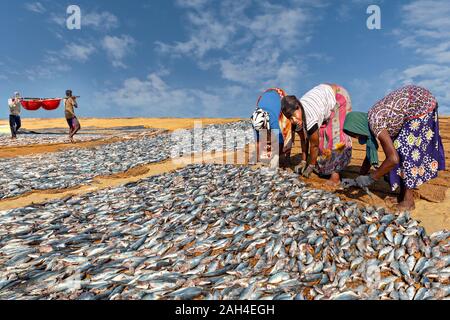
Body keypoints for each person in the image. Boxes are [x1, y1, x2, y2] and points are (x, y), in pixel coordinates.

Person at [343, 85, 445, 211]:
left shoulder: (375, 122)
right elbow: (369, 156)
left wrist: (371, 178)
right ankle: (402, 196)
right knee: (398, 147)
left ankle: (408, 201)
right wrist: (357, 181)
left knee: (405, 152)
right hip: (416, 104)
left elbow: (393, 159)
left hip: (421, 105)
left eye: (355, 133)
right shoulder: (371, 118)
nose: (358, 137)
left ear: (358, 126)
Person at [281, 83, 353, 186]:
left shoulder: (310, 117)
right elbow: (304, 139)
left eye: (293, 116)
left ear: (298, 107)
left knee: (336, 139)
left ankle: (335, 176)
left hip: (337, 97)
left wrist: (310, 165)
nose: (293, 120)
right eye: (290, 118)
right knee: (322, 138)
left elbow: (313, 145)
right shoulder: (297, 119)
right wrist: (303, 161)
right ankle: (325, 168)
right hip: (324, 105)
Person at [251, 88, 300, 169]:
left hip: (280, 97)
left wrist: (276, 156)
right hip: (266, 96)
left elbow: (280, 141)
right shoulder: (255, 121)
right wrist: (259, 159)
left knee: (287, 131)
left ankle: (287, 157)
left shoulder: (272, 120)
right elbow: (258, 142)